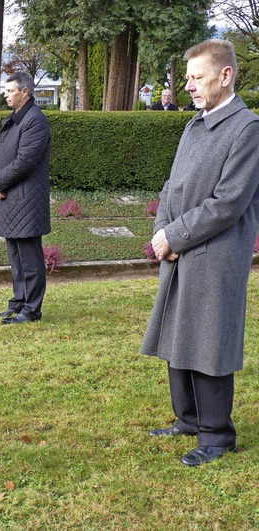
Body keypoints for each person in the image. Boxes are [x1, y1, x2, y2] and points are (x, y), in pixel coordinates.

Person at [141, 39, 259, 467]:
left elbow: (228, 202)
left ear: (225, 75)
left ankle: (217, 435)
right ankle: (188, 419)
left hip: (216, 253)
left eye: (197, 77)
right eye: (187, 78)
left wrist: (175, 235)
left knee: (208, 339)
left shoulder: (247, 128)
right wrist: (161, 231)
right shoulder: (194, 125)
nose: (189, 85)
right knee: (179, 332)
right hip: (182, 247)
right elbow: (172, 187)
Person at [0, 72, 51, 325]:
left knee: (30, 258)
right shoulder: (15, 120)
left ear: (25, 92)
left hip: (26, 199)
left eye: (10, 90)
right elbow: (3, 159)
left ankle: (32, 309)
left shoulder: (35, 121)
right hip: (11, 195)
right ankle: (18, 302)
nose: (5, 94)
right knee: (16, 256)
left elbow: (25, 161)